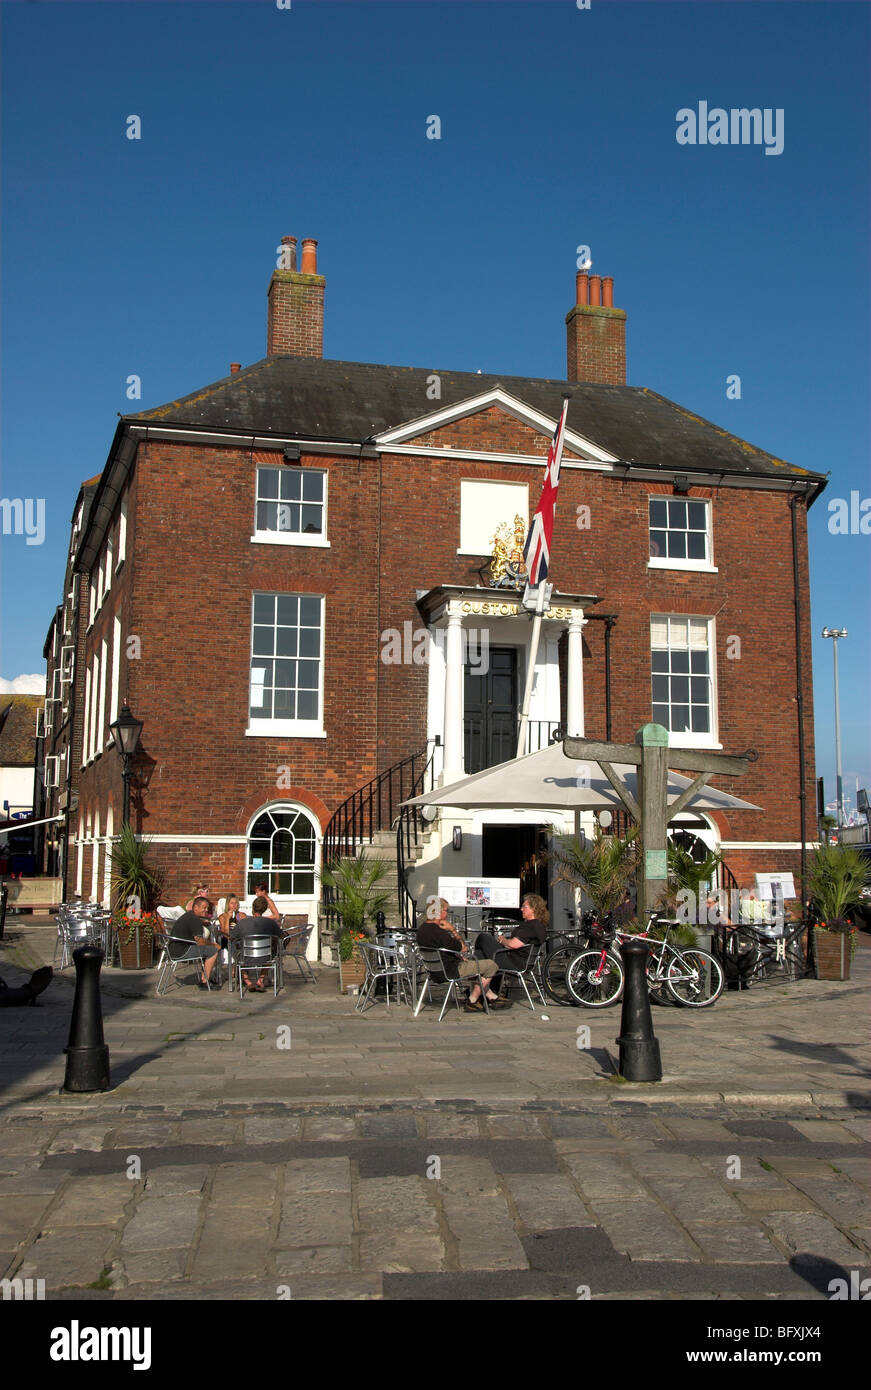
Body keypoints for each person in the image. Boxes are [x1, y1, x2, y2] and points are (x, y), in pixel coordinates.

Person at [417, 898, 506, 1012]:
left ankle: (492, 997)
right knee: (491, 965)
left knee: (477, 968)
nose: (447, 914)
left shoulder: (422, 930)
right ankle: (472, 1000)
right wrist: (452, 929)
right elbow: (463, 948)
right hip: (451, 970)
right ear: (440, 912)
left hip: (433, 972)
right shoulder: (440, 933)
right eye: (446, 910)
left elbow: (443, 950)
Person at [475, 891, 549, 980]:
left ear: (533, 909)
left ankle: (469, 973)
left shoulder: (530, 926)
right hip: (521, 961)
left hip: (514, 962)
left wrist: (503, 940)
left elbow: (513, 944)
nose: (521, 909)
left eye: (524, 907)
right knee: (481, 955)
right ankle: (488, 991)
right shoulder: (539, 925)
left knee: (483, 937)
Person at [231, 895, 282, 992]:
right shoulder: (270, 923)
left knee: (235, 947)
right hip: (266, 957)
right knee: (274, 948)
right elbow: (281, 936)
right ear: (265, 909)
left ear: (253, 908)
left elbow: (232, 937)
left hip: (246, 957)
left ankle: (247, 981)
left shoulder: (243, 923)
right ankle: (260, 979)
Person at [169, 896, 221, 988]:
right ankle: (205, 982)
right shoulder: (195, 919)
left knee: (207, 950)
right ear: (196, 908)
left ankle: (203, 977)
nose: (206, 910)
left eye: (207, 908)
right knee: (213, 951)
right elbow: (200, 942)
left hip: (173, 949)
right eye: (204, 908)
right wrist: (215, 945)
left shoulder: (189, 916)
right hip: (182, 951)